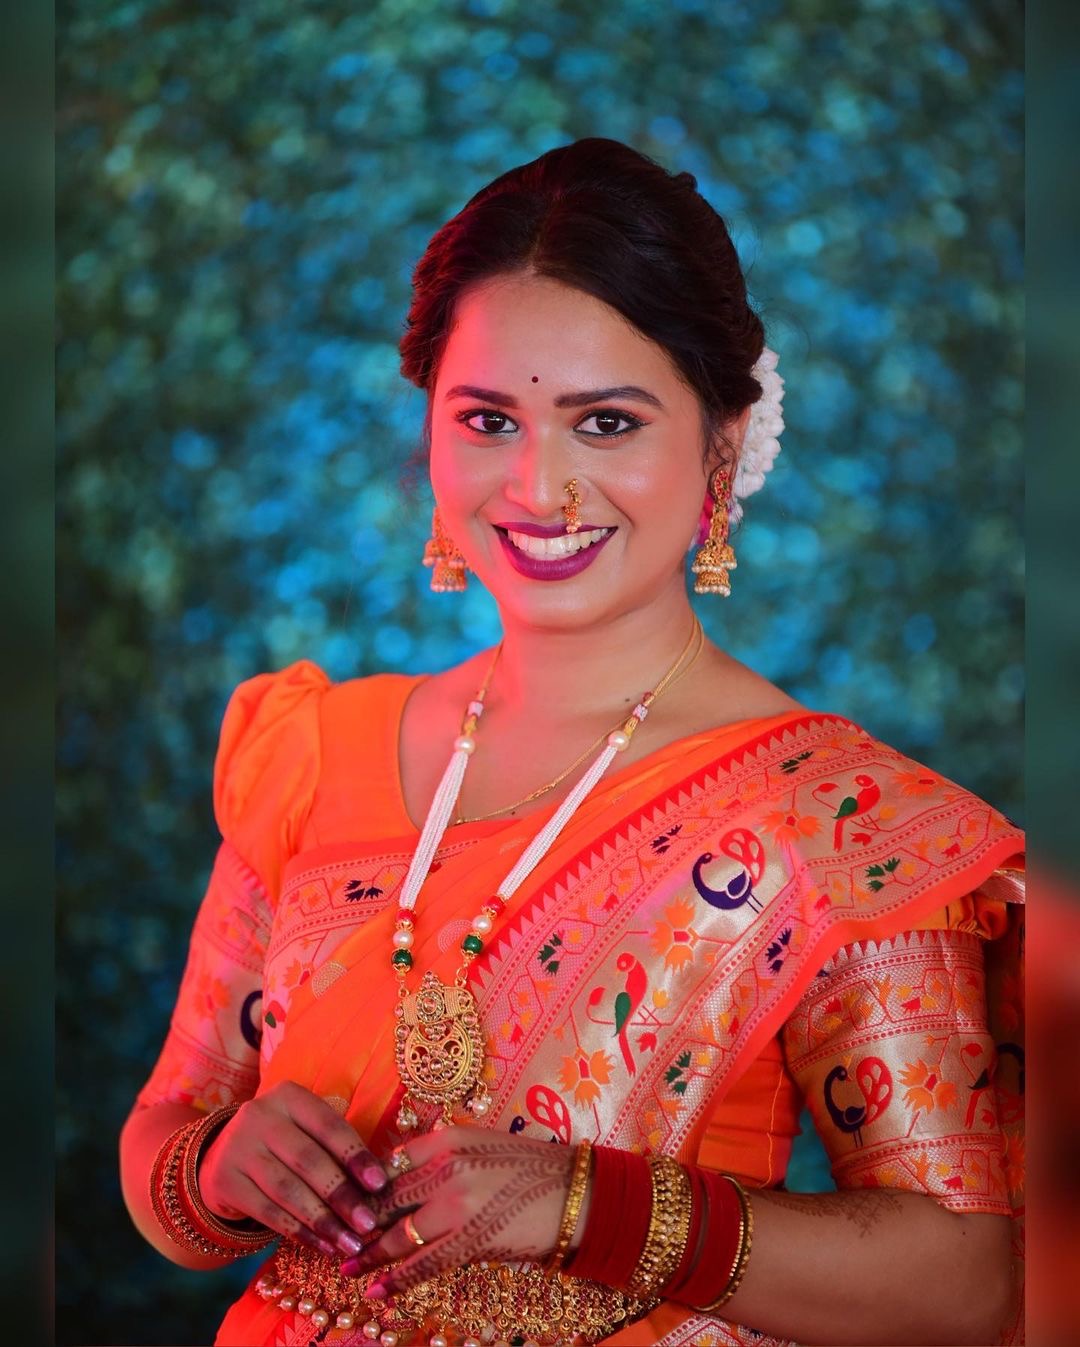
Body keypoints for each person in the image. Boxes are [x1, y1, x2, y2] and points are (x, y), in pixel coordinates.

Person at [120, 138, 1025, 1347]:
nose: (539, 487)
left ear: (721, 444)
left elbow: (966, 1283)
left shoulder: (841, 824)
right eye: (488, 419)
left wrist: (595, 1208)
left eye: (605, 422)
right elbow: (168, 1137)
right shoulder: (312, 752)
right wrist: (216, 1170)